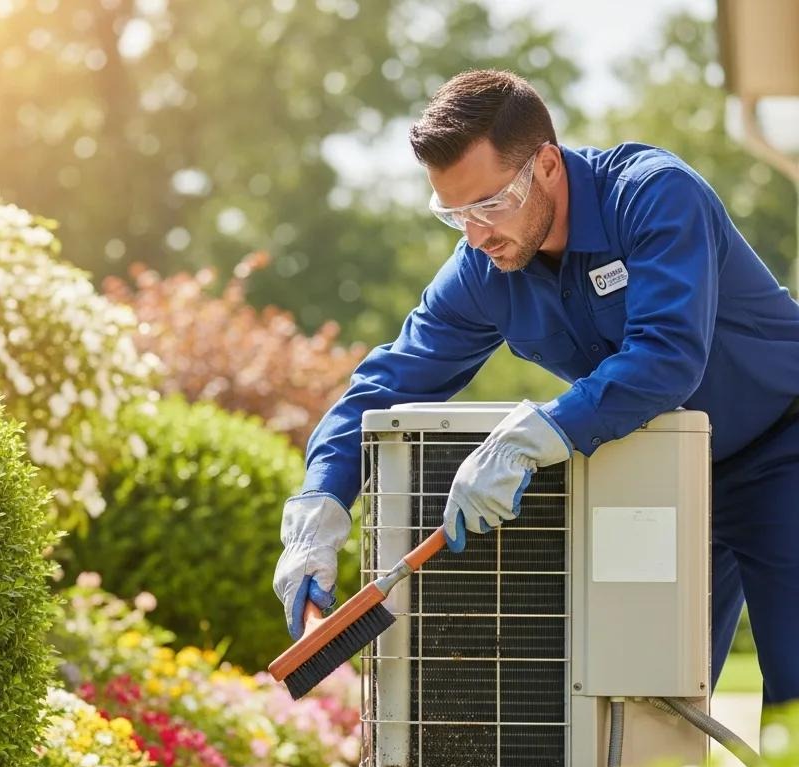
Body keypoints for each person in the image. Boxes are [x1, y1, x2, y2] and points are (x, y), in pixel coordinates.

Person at [272, 68, 799, 707]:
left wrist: (534, 436)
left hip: (782, 449)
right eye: (454, 213)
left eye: (490, 204)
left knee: (794, 695)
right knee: (642, 703)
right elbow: (383, 385)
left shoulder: (655, 196)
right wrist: (319, 504)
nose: (476, 233)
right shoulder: (482, 268)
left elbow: (666, 356)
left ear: (546, 164)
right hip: (661, 473)